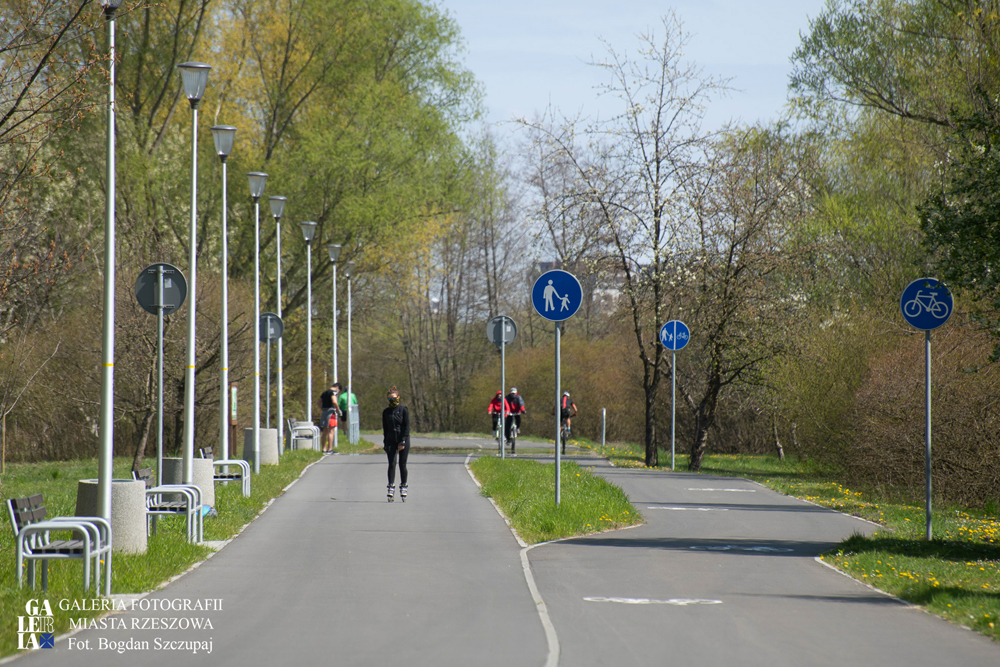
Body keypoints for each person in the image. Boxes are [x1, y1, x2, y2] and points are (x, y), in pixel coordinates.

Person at [382, 386, 410, 502]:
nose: (392, 401)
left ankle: (403, 485)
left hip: (403, 439)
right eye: (389, 399)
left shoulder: (403, 410)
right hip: (390, 440)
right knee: (391, 464)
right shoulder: (386, 412)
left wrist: (403, 441)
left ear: (398, 397)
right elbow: (385, 428)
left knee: (402, 464)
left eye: (393, 399)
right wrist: (385, 442)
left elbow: (407, 427)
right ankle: (391, 486)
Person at [319, 383, 339, 454]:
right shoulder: (332, 393)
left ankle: (323, 449)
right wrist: (338, 409)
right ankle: (330, 449)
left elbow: (318, 402)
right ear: (337, 387)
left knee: (324, 432)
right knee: (331, 431)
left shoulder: (324, 393)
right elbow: (334, 401)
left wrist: (322, 409)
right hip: (331, 413)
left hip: (324, 412)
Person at [505, 387, 526, 454]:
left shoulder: (518, 397)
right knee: (507, 426)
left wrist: (523, 410)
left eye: (514, 393)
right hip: (509, 413)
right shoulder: (507, 398)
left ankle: (517, 427)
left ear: (516, 393)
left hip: (517, 412)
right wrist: (506, 411)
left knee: (518, 420)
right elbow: (505, 405)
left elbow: (521, 404)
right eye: (512, 393)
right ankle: (508, 439)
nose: (513, 395)